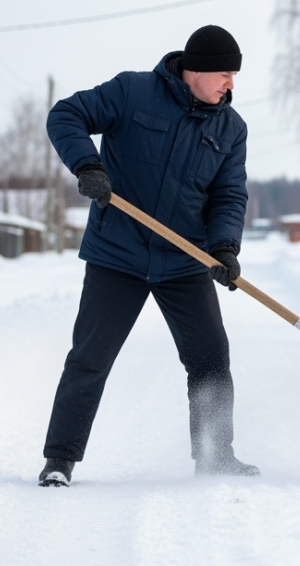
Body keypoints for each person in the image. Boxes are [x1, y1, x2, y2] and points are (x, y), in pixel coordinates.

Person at [38, 25, 255, 487]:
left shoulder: (231, 129)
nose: (230, 84)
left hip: (184, 260)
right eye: (224, 73)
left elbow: (229, 194)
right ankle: (59, 460)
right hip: (118, 253)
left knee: (211, 359)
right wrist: (87, 165)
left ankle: (215, 455)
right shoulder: (133, 92)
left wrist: (223, 246)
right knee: (90, 358)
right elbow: (66, 114)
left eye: (234, 75)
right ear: (196, 70)